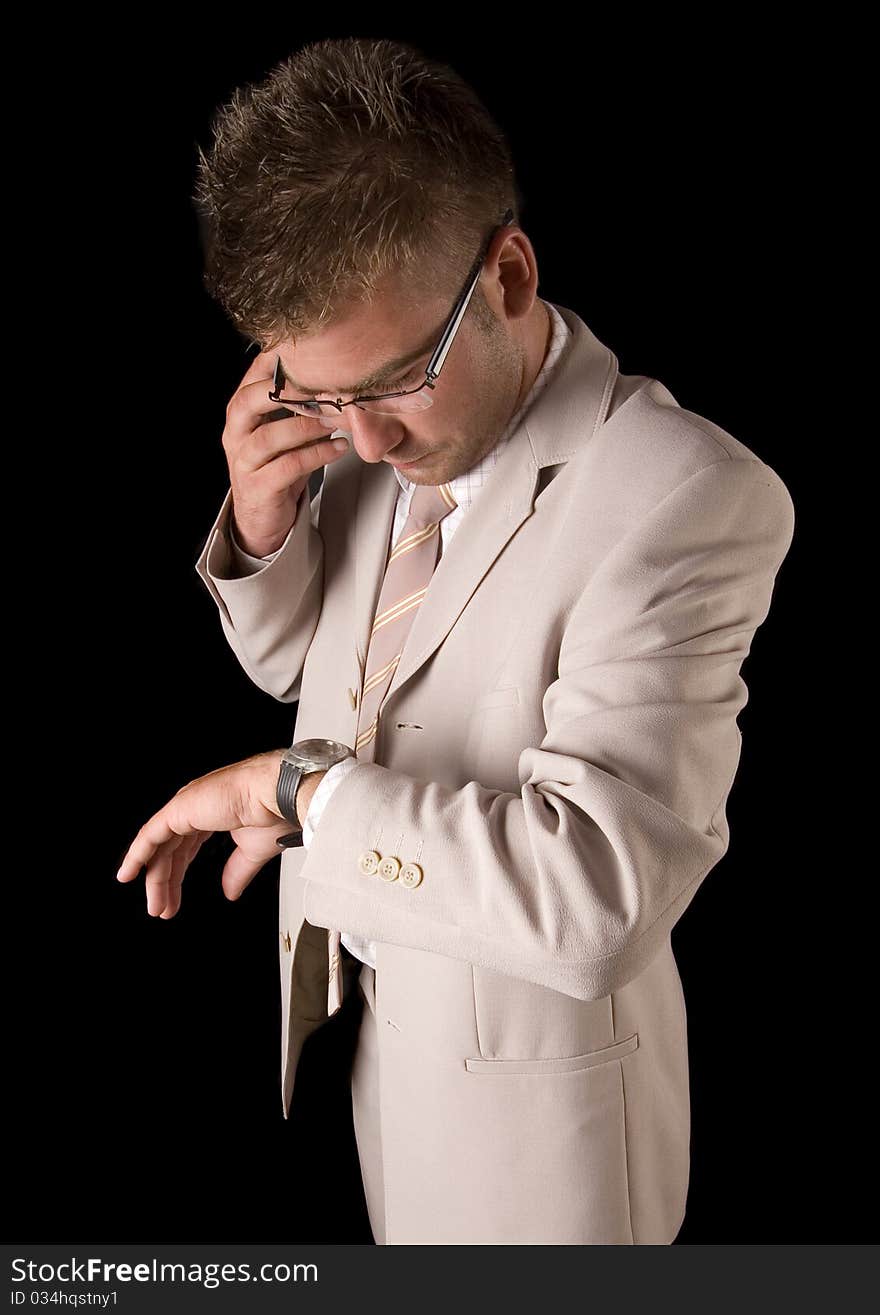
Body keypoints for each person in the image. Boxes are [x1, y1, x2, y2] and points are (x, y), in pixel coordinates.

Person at [117, 35, 796, 1244]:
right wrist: (268, 535)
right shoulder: (375, 434)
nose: (363, 445)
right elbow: (314, 678)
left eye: (387, 383)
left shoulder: (682, 496)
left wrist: (301, 794)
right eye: (317, 396)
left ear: (511, 276)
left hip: (544, 1128)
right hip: (384, 1049)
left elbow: (593, 895)